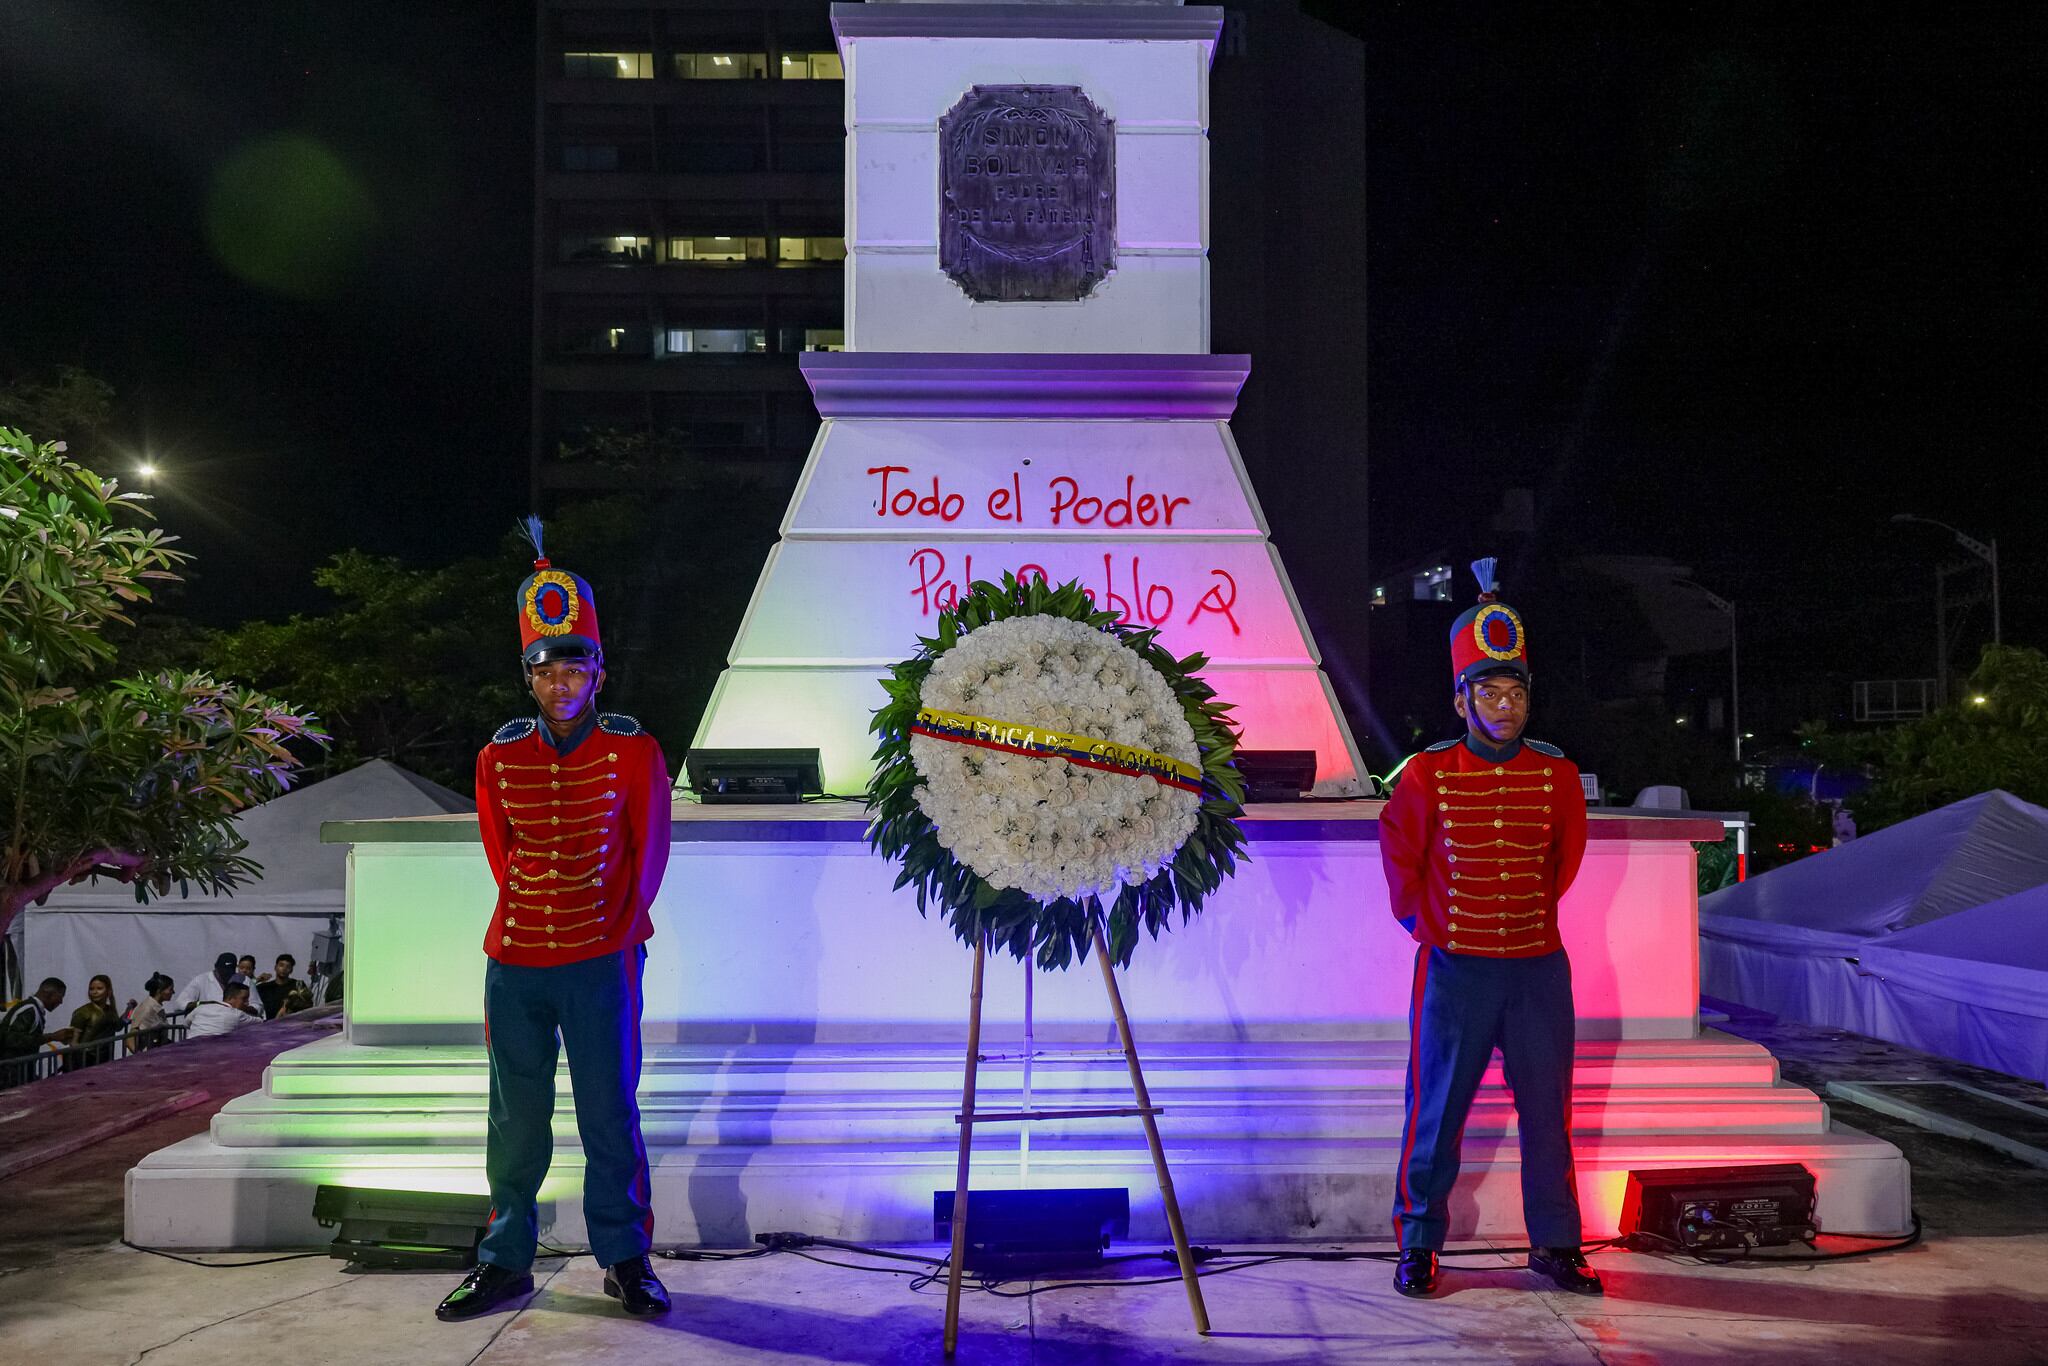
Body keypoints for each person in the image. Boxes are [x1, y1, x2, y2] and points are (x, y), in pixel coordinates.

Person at [437, 519, 673, 1323]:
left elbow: (648, 857)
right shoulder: (498, 758)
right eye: (546, 667)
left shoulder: (634, 752)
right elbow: (502, 857)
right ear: (528, 678)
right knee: (515, 1115)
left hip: (603, 956)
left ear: (599, 672)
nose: (561, 680)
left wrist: (607, 928)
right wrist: (538, 924)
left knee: (610, 1110)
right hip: (516, 961)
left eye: (575, 664)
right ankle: (503, 1260)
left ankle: (627, 1258)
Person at [1378, 558, 1600, 1299]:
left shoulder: (1558, 776)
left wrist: (1522, 919)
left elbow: (1563, 863)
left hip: (1538, 968)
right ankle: (1417, 1244)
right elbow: (1402, 861)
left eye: (1514, 693)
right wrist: (1432, 927)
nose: (1504, 706)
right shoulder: (1427, 775)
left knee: (1548, 1113)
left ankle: (1557, 1244)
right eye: (1489, 692)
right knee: (1435, 1111)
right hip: (1456, 969)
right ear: (1461, 699)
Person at [2, 979, 76, 1058]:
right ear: (48, 994)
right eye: (60, 996)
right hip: (10, 1068)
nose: (61, 1001)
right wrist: (52, 1036)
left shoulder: (35, 1009)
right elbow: (12, 1040)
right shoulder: (29, 1010)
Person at [65, 974, 122, 1069]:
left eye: (99, 988)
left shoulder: (110, 1011)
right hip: (86, 1061)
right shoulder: (82, 1012)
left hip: (105, 1058)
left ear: (108, 991)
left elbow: (118, 1026)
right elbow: (73, 1042)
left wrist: (129, 1011)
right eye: (91, 989)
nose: (95, 992)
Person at [185, 978, 261, 1039]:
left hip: (188, 1049)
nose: (247, 1003)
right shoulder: (237, 1015)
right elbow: (261, 1022)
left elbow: (186, 1023)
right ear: (231, 998)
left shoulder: (200, 1008)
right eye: (244, 999)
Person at [173, 953, 241, 1015]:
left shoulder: (242, 980)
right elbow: (180, 1003)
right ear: (216, 967)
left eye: (230, 970)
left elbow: (251, 1003)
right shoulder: (201, 980)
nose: (226, 973)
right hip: (207, 1024)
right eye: (223, 970)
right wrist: (204, 1004)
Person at [129, 973, 177, 1051]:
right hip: (148, 1057)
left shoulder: (156, 1007)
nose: (173, 992)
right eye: (170, 989)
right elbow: (132, 1038)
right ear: (159, 991)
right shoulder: (147, 1009)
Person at [256, 954, 307, 1020]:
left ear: (291, 970)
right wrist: (256, 981)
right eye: (281, 965)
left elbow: (306, 1006)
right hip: (268, 1025)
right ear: (275, 967)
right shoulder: (264, 987)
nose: (284, 969)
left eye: (288, 967)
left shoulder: (298, 985)